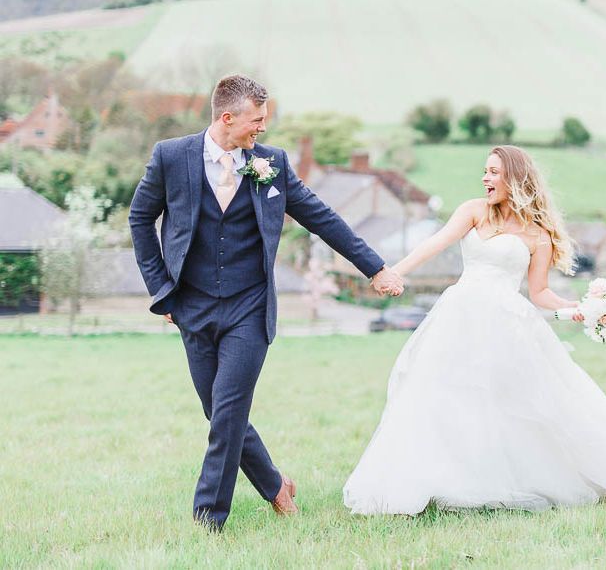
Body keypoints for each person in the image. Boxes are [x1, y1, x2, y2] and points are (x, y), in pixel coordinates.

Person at [344, 145, 606, 515]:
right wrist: (392, 273)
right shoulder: (474, 211)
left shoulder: (537, 235)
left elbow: (541, 292)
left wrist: (578, 309)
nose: (485, 178)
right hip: (458, 316)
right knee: (438, 394)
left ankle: (501, 479)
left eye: (493, 171)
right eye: (485, 171)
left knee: (518, 404)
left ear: (515, 177)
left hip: (506, 325)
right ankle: (432, 481)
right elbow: (435, 243)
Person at [129, 75, 402, 530]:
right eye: (256, 122)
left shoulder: (271, 163)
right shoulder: (171, 156)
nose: (262, 130)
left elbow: (321, 217)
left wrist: (375, 267)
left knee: (229, 409)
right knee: (217, 410)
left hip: (249, 306)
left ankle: (207, 520)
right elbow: (140, 219)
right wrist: (162, 293)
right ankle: (275, 485)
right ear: (227, 117)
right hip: (191, 305)